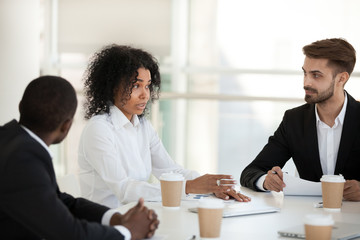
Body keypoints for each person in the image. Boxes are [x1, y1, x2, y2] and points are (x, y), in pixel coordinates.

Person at [77, 44, 251, 208]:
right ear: (113, 87)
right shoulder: (98, 129)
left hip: (135, 218)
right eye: (136, 86)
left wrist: (211, 185)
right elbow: (124, 189)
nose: (145, 95)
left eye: (147, 86)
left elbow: (169, 170)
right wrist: (189, 187)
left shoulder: (143, 126)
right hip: (105, 224)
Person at [0, 76, 159, 240]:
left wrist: (115, 218)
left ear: (21, 107)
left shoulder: (9, 139)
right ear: (66, 126)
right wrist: (128, 232)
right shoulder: (23, 160)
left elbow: (58, 200)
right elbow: (68, 233)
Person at [240, 38, 360, 201]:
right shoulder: (294, 120)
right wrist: (266, 181)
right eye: (305, 73)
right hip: (307, 217)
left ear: (341, 79)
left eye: (316, 75)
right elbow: (251, 172)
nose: (306, 82)